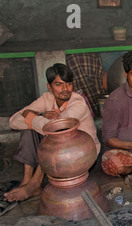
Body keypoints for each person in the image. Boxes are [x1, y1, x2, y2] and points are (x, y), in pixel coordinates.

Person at [4, 63, 100, 205]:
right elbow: (13, 121)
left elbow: (57, 128)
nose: (65, 89)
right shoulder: (46, 98)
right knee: (28, 131)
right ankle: (26, 180)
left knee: (55, 135)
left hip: (82, 155)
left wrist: (31, 115)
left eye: (68, 84)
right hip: (59, 154)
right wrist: (41, 117)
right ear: (49, 87)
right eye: (58, 84)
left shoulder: (78, 102)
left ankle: (34, 184)